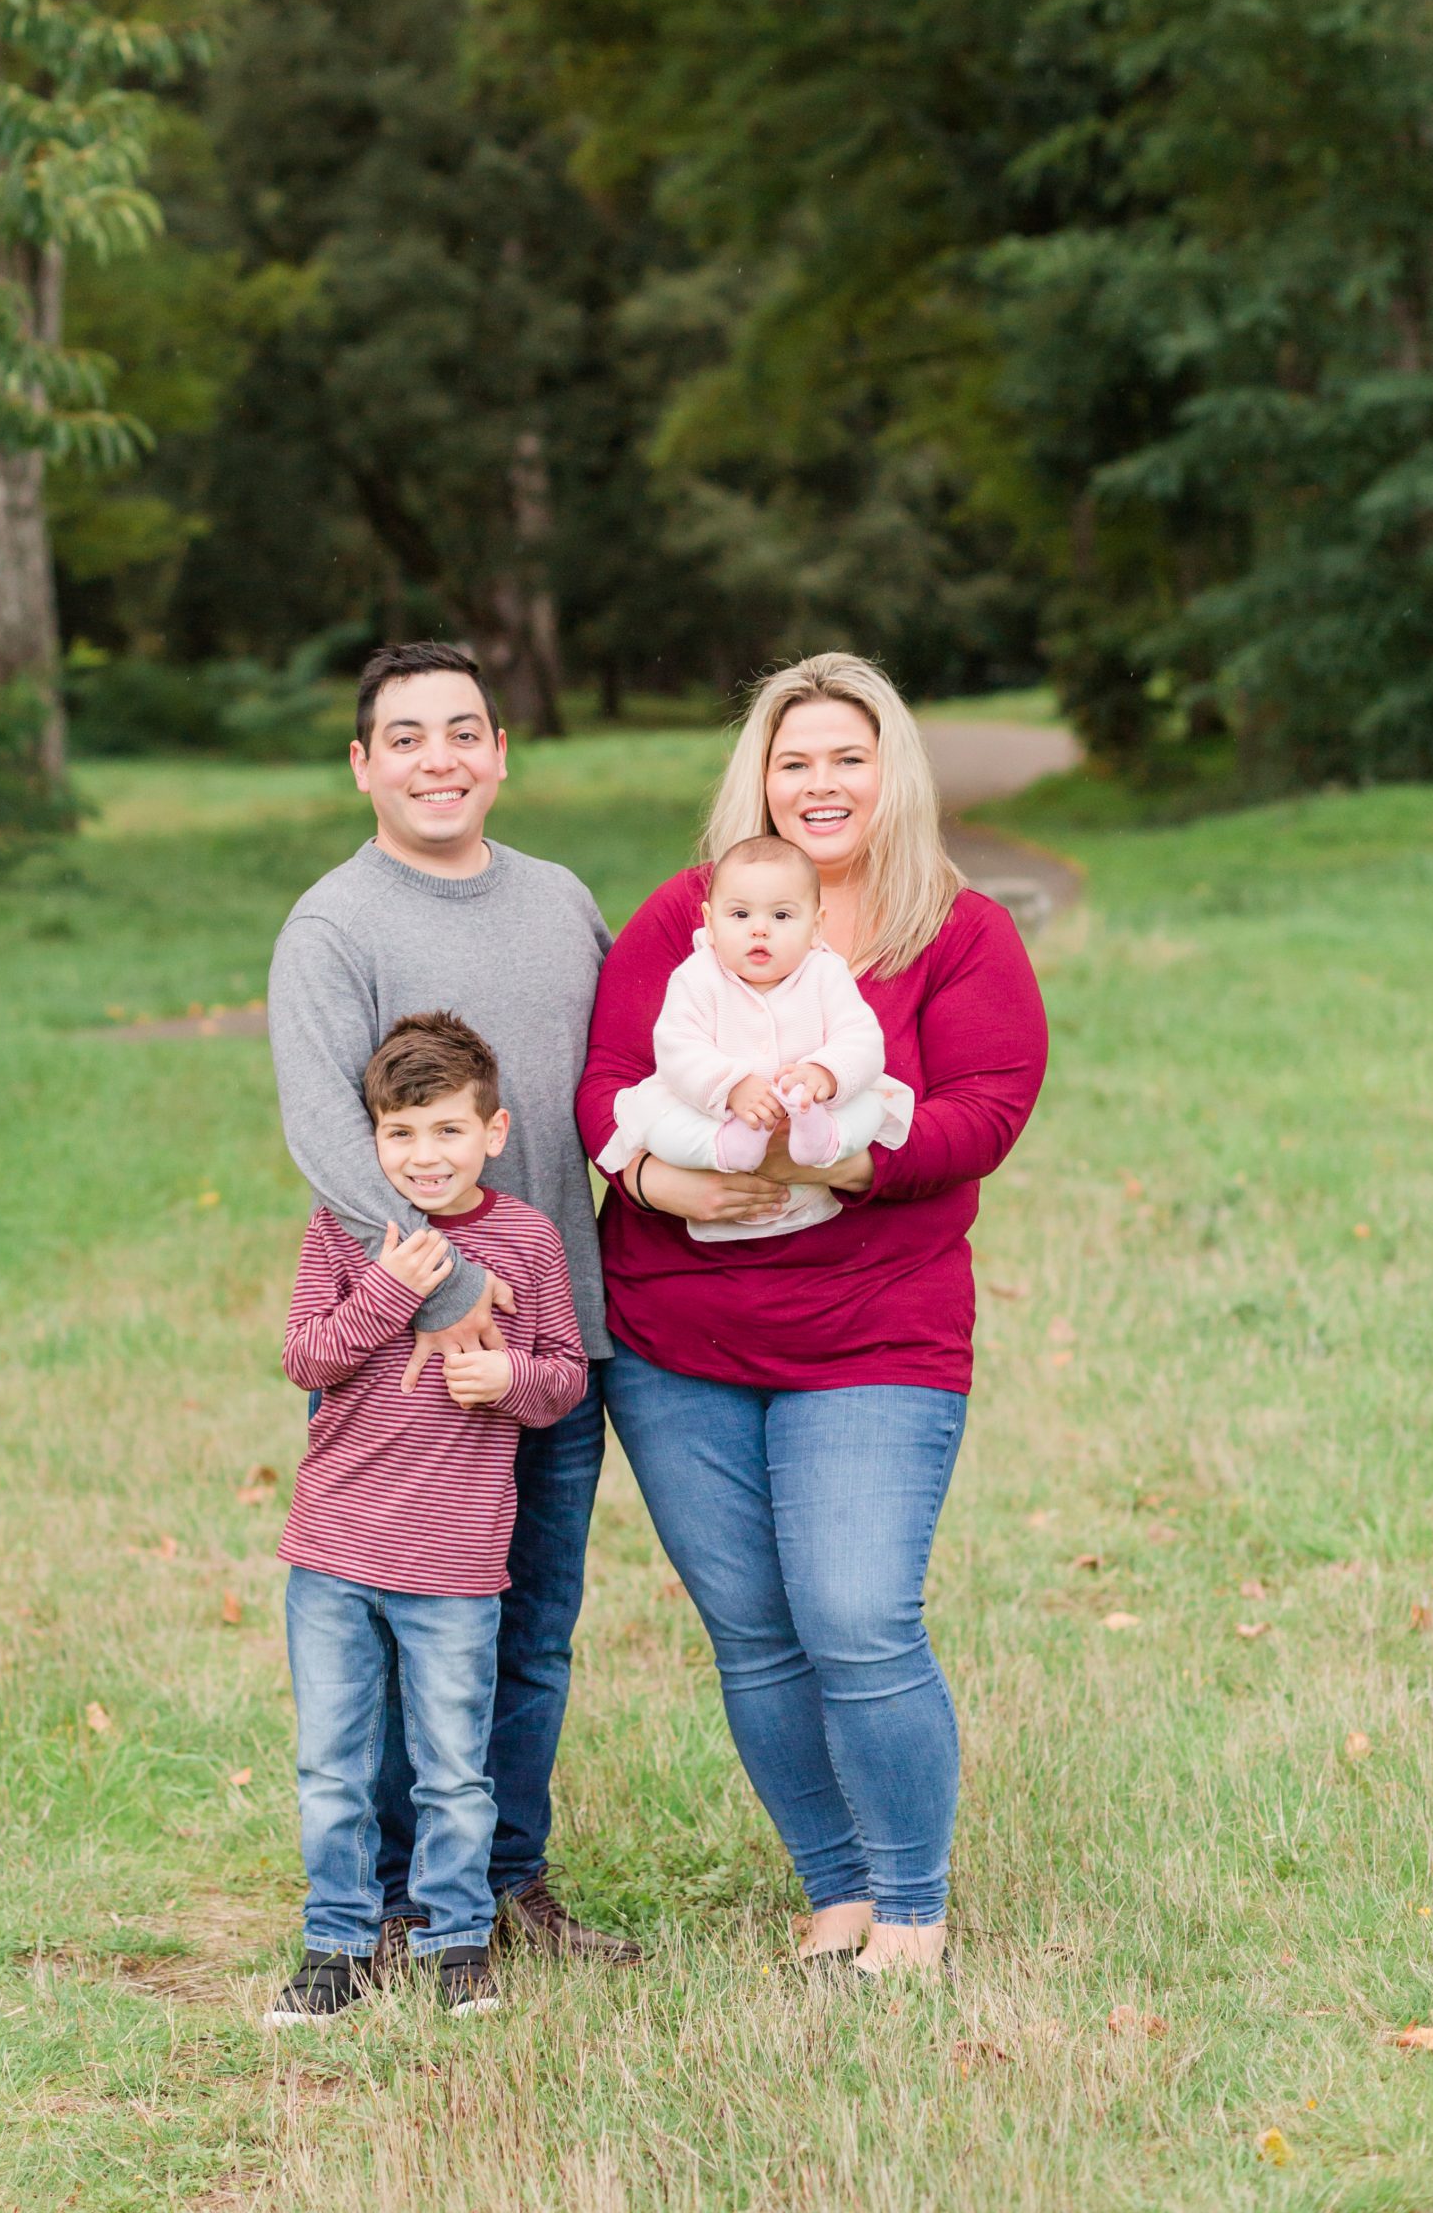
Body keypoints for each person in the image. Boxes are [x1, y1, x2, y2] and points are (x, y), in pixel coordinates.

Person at [578, 652, 1049, 1979]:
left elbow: (981, 1112)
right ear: (758, 778)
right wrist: (662, 1174)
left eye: (847, 757)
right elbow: (607, 1078)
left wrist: (815, 1162)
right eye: (794, 761)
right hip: (677, 1338)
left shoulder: (954, 932)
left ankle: (909, 1910)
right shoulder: (693, 913)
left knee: (853, 1612)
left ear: (891, 770)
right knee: (754, 1628)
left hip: (873, 1334)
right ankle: (833, 1890)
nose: (820, 783)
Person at [268, 641, 638, 1966]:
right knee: (389, 1633)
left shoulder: (558, 902)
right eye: (407, 736)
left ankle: (499, 1885)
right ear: (364, 764)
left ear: (498, 751)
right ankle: (373, 1901)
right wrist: (449, 1295)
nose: (440, 757)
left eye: (463, 731)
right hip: (414, 1363)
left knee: (526, 1637)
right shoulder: (334, 925)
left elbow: (617, 1083)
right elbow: (324, 1131)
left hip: (559, 1338)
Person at [266, 1013, 588, 2024]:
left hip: (455, 1561)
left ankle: (458, 1942)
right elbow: (307, 1358)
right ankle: (337, 1941)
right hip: (333, 1552)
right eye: (401, 1134)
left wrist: (509, 1376)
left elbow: (566, 1378)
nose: (424, 1155)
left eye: (448, 1130)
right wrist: (387, 1292)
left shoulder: (528, 1242)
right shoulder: (349, 1229)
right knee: (335, 1761)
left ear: (493, 1132)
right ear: (371, 1142)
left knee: (454, 1763)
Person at [594, 831, 913, 1242]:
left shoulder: (825, 973)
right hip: (714, 1112)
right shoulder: (697, 976)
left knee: (872, 1108)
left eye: (781, 917)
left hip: (811, 1104)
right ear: (710, 923)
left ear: (816, 927)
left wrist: (826, 1073)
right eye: (740, 915)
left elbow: (862, 1038)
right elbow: (678, 1048)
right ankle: (727, 1147)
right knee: (658, 1126)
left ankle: (825, 1139)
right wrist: (731, 1086)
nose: (759, 930)